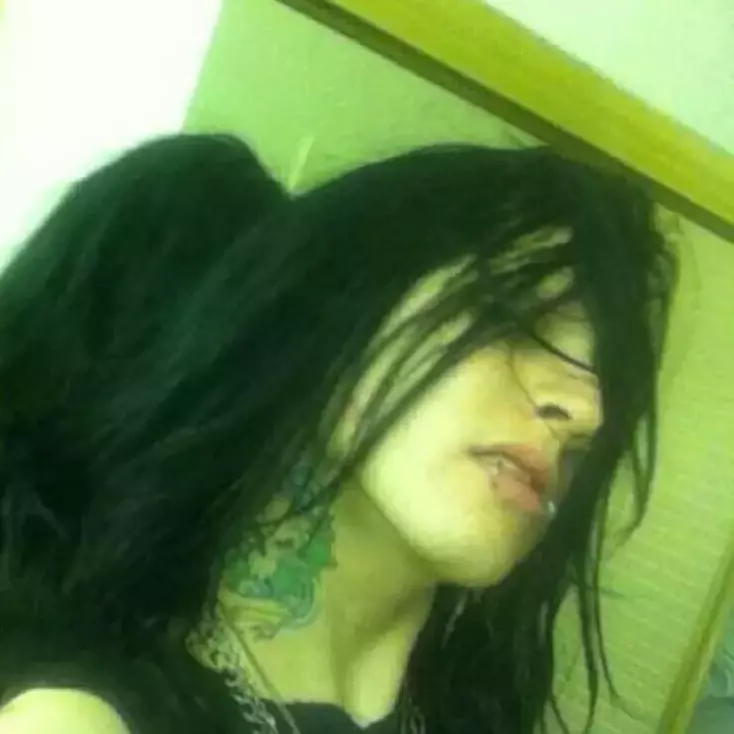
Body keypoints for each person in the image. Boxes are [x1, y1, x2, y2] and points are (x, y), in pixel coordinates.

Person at [0, 137, 676, 734]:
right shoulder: (78, 711)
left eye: (610, 376)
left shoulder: (473, 712)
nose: (589, 410)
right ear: (339, 310)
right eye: (516, 317)